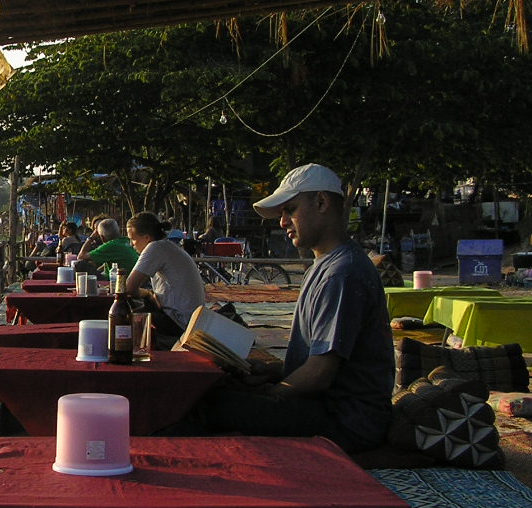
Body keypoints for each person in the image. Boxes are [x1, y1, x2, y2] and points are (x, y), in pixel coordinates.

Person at [199, 164, 394, 453]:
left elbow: (320, 373)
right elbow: (322, 363)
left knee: (212, 407)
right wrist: (272, 371)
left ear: (321, 203)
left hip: (347, 421)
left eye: (290, 210)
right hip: (329, 408)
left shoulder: (343, 272)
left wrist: (271, 394)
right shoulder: (325, 265)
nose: (282, 222)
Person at [124, 212, 207, 336]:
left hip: (180, 323)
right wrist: (148, 294)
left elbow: (129, 288)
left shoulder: (155, 248)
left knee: (121, 314)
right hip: (192, 320)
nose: (131, 244)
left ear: (147, 237)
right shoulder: (167, 246)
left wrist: (146, 294)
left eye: (133, 239)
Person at [73, 217, 139, 275]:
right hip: (130, 277)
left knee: (80, 265)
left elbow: (80, 257)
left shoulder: (110, 245)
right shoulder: (125, 240)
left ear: (102, 237)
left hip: (119, 279)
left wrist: (90, 238)